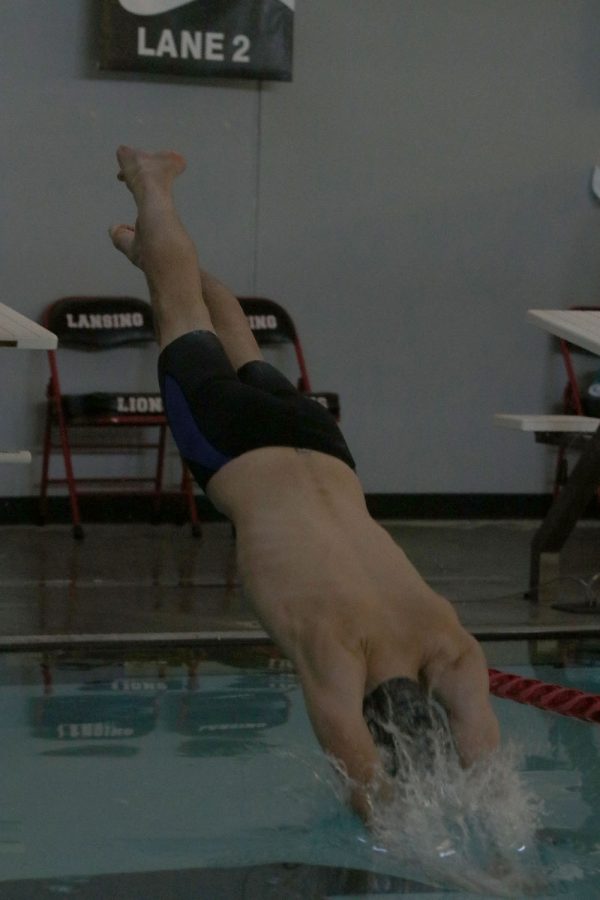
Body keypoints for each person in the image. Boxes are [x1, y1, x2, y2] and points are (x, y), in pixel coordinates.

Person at [109, 146, 500, 821]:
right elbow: (367, 790)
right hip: (235, 451)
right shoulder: (336, 653)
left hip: (319, 442)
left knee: (234, 333)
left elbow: (488, 765)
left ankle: (155, 244)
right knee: (178, 307)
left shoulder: (452, 646)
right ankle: (152, 189)